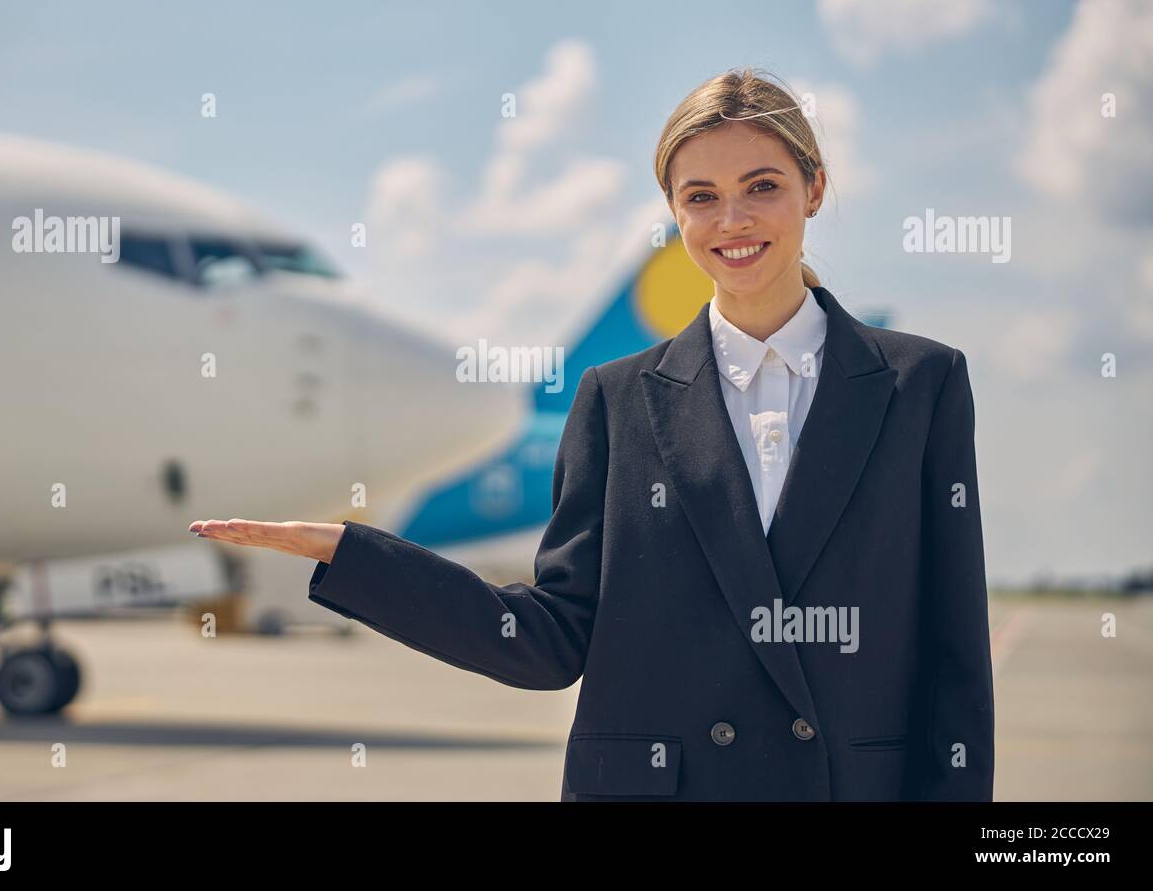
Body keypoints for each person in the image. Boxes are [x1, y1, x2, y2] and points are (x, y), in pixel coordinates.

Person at [189, 67, 994, 801]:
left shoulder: (919, 386)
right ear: (675, 211)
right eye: (701, 196)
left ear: (814, 190)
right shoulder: (617, 400)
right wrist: (354, 556)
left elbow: (952, 654)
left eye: (762, 186)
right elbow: (550, 639)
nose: (733, 220)